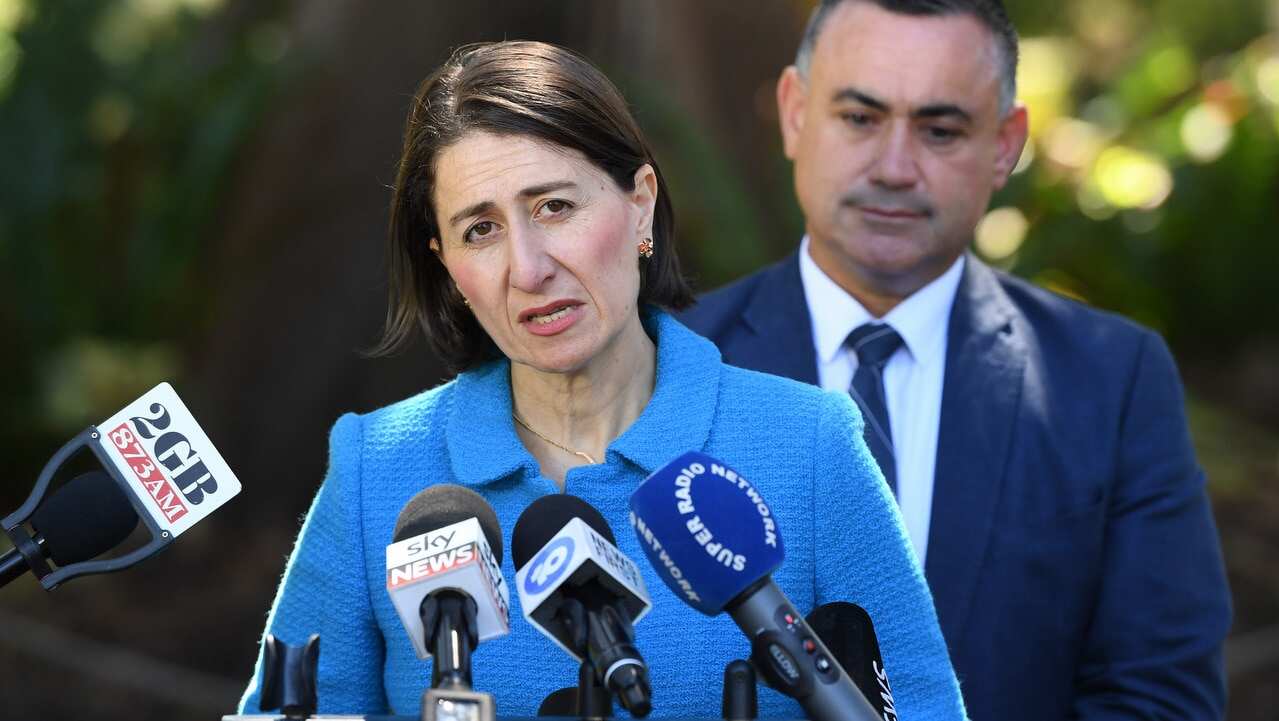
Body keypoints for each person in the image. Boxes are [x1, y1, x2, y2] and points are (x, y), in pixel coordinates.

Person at [237, 40, 969, 719]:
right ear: (446, 265)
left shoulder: (809, 446)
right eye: (480, 229)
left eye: (554, 206)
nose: (527, 268)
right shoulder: (379, 469)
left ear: (640, 202)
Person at [679, 1, 1233, 719]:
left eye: (940, 130)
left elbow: (1163, 696)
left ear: (1005, 145)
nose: (895, 167)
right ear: (794, 112)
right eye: (859, 118)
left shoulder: (1113, 382)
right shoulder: (676, 364)